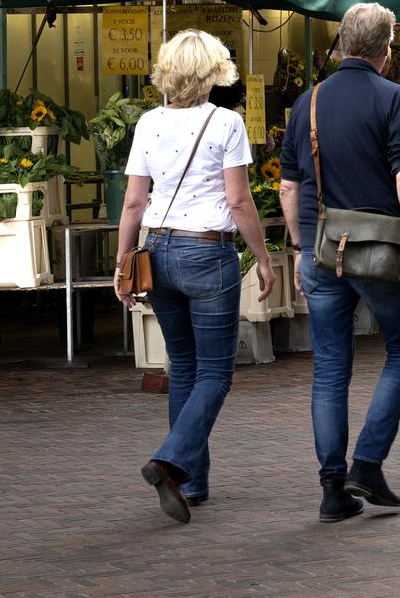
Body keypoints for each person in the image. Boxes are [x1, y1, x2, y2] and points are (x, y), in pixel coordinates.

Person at [114, 31, 272, 523]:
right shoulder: (226, 122)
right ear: (213, 71)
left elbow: (134, 201)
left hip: (158, 250)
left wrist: (123, 261)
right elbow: (239, 201)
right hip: (207, 252)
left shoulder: (148, 122)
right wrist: (263, 258)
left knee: (182, 366)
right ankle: (170, 461)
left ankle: (193, 480)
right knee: (216, 372)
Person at [279, 2, 400, 523]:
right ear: (386, 49)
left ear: (342, 45)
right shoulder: (393, 99)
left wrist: (301, 248)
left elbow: (288, 186)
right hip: (381, 251)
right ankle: (366, 463)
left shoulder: (309, 102)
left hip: (321, 251)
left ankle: (330, 489)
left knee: (329, 371)